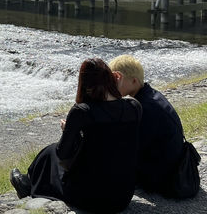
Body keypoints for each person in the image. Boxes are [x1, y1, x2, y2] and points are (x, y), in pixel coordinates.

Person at [10, 58, 142, 214]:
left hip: (90, 198)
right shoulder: (134, 106)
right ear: (110, 79)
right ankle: (28, 182)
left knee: (50, 152)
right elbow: (112, 141)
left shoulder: (82, 111)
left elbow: (63, 153)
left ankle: (27, 184)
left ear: (84, 84)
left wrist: (69, 130)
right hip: (122, 196)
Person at [108, 55, 184, 196]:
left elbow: (129, 148)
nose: (112, 86)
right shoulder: (149, 95)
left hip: (163, 177)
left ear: (134, 81)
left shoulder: (146, 108)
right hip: (168, 164)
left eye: (116, 80)